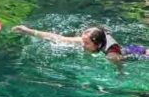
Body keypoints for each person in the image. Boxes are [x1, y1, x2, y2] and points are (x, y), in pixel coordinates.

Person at [13, 24, 147, 64]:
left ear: (97, 45)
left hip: (136, 53)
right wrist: (29, 31)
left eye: (86, 43)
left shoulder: (111, 55)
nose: (82, 45)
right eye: (82, 41)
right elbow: (57, 38)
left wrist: (120, 74)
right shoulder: (89, 41)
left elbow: (120, 67)